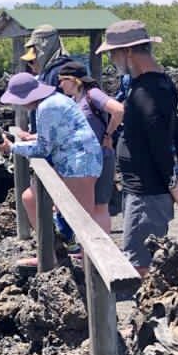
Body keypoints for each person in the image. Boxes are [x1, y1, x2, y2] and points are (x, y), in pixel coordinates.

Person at [95, 20, 178, 277]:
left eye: (112, 53)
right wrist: (175, 179)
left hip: (147, 192)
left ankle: (145, 314)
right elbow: (173, 134)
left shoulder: (147, 91)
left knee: (140, 265)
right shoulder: (157, 84)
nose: (111, 59)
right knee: (142, 258)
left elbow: (163, 140)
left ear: (127, 51)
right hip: (143, 189)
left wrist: (174, 182)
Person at [0, 72, 102, 267]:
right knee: (30, 198)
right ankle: (51, 253)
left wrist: (10, 148)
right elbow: (55, 135)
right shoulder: (55, 100)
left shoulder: (47, 107)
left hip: (80, 163)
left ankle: (84, 269)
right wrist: (27, 138)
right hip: (78, 160)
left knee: (82, 221)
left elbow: (43, 149)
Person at [57, 61, 124, 234]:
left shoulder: (92, 94)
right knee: (85, 205)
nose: (60, 84)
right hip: (82, 160)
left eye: (62, 79)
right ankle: (87, 252)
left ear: (73, 80)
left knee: (99, 206)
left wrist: (108, 135)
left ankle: (101, 251)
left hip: (100, 156)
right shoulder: (74, 100)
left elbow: (118, 110)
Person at [18, 24, 74, 134]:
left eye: (31, 61)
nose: (31, 65)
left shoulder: (58, 71)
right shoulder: (49, 71)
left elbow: (57, 113)